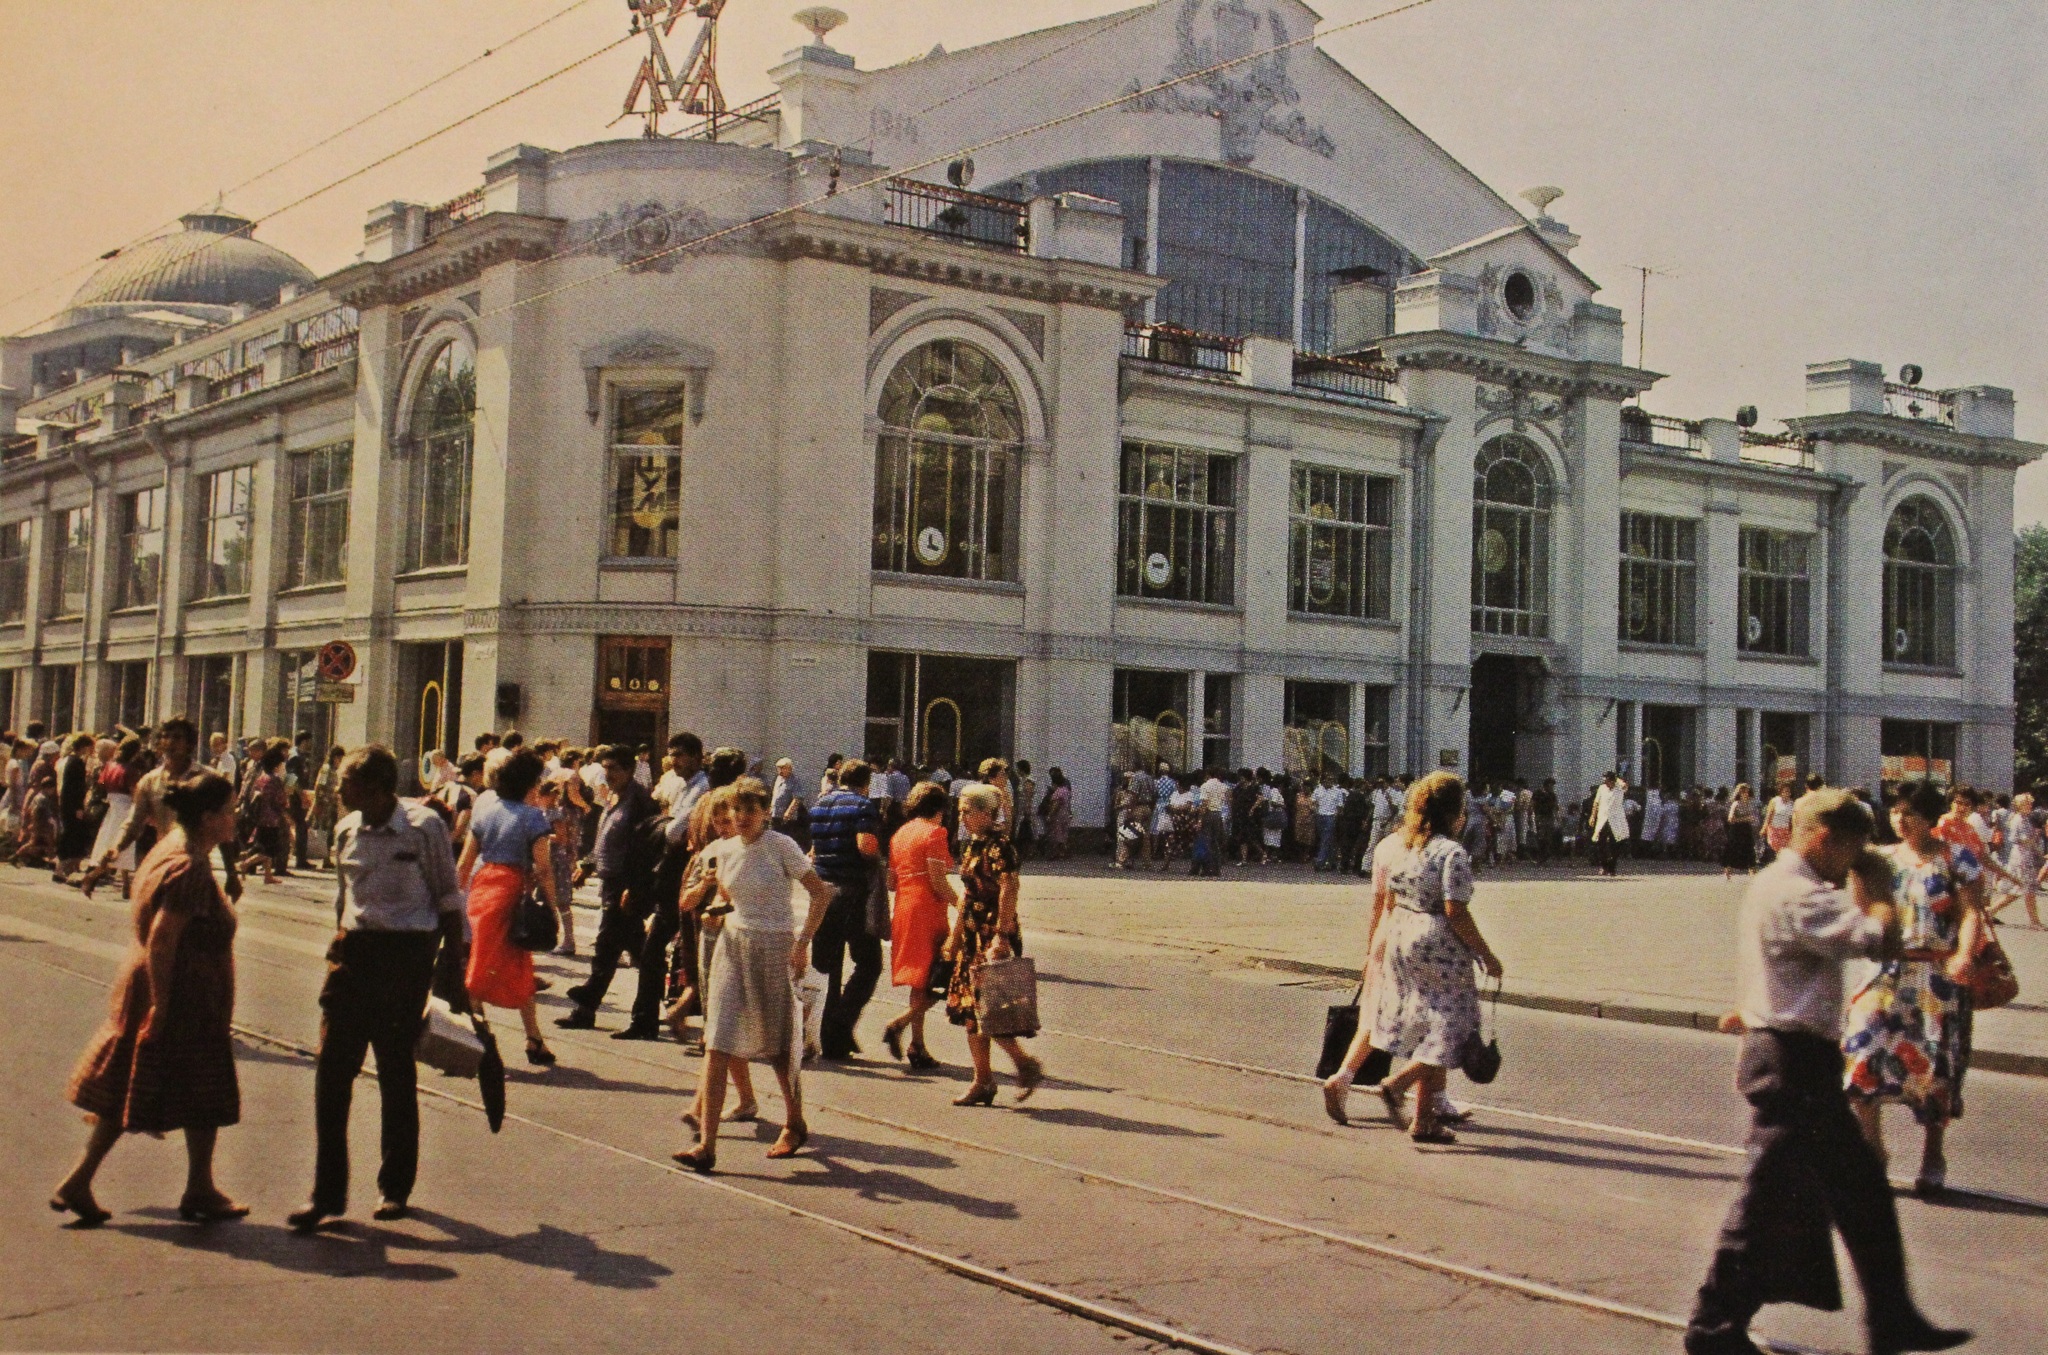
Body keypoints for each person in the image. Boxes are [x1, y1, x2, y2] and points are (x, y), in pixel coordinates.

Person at [1684, 789, 1968, 1355]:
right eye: (1851, 850)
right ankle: (1711, 1326)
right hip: (1792, 1063)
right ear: (1824, 840)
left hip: (1794, 1057)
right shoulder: (1801, 893)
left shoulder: (1776, 882)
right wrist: (1878, 890)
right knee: (1763, 1202)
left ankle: (1892, 1316)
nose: (1852, 862)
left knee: (1861, 1192)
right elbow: (1880, 938)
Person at [287, 747, 468, 1231]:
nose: (340, 792)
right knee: (332, 1074)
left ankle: (394, 1187)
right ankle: (326, 1194)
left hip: (405, 959)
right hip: (354, 955)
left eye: (347, 784)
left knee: (394, 1071)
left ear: (377, 788)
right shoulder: (348, 829)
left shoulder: (424, 827)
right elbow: (344, 899)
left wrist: (454, 964)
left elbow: (448, 895)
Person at [55, 770, 246, 1227]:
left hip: (155, 985)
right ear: (208, 817)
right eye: (230, 811)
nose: (235, 819)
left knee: (131, 1081)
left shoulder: (170, 847)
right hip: (182, 994)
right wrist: (162, 1005)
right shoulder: (189, 865)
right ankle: (195, 1186)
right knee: (202, 1083)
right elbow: (164, 940)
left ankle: (89, 1180)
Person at [672, 778, 837, 1173]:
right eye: (735, 810)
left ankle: (795, 1122)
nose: (741, 817)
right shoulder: (721, 850)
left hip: (776, 947)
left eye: (750, 810)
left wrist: (802, 943)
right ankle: (706, 1147)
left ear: (766, 813)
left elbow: (820, 893)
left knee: (780, 1046)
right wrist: (708, 899)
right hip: (733, 948)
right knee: (718, 1041)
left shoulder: (781, 846)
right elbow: (693, 902)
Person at [1841, 781, 1985, 1197]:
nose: (1900, 821)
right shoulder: (1881, 860)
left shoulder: (1958, 858)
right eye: (1896, 812)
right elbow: (1861, 910)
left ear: (1931, 818)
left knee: (1934, 1067)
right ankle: (1873, 1148)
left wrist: (1964, 953)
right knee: (1861, 1050)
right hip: (1886, 973)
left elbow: (1973, 913)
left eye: (1911, 814)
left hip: (1934, 976)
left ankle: (1932, 1154)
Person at [1366, 772, 1502, 1146]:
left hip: (1402, 934)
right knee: (1454, 1026)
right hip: (1436, 943)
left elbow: (1391, 895)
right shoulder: (1451, 852)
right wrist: (1486, 954)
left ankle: (1424, 1121)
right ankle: (1397, 1085)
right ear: (1455, 812)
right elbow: (1455, 909)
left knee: (1429, 1025)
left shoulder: (1406, 845)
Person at [455, 748, 559, 1067]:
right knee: (493, 966)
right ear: (530, 784)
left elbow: (465, 862)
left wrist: (452, 901)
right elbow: (543, 868)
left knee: (504, 963)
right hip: (511, 890)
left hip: (482, 887)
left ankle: (533, 1038)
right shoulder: (533, 817)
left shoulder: (485, 809)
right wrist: (551, 907)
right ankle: (482, 1039)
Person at [943, 783, 1044, 1105]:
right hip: (973, 934)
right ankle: (983, 1080)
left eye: (967, 812)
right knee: (971, 1010)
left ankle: (1023, 1062)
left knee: (991, 1007)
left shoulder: (1000, 845)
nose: (962, 818)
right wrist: (955, 936)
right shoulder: (972, 845)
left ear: (986, 813)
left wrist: (1001, 935)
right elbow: (967, 895)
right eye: (960, 812)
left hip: (992, 934)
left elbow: (1009, 887)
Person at [557, 746, 657, 1030]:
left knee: (607, 945)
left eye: (613, 768)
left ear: (628, 770)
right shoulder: (615, 797)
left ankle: (587, 1004)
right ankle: (652, 1010)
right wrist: (588, 864)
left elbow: (643, 849)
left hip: (626, 885)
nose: (608, 774)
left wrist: (634, 888)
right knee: (637, 950)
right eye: (605, 767)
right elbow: (605, 838)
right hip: (611, 880)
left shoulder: (640, 801)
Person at [809, 759, 884, 1059]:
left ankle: (827, 1035)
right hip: (852, 890)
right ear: (865, 783)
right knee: (868, 963)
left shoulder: (820, 805)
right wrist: (880, 859)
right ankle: (840, 1025)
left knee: (829, 966)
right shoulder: (863, 806)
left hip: (823, 891)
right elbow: (865, 845)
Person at [880, 781, 956, 1069]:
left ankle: (918, 1045)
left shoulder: (900, 833)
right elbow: (938, 882)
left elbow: (890, 881)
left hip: (904, 907)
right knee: (943, 976)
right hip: (927, 911)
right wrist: (961, 903)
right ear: (940, 809)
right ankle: (900, 1023)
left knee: (922, 978)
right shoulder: (935, 833)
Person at [77, 735, 147, 898]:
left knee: (111, 843)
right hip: (125, 807)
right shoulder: (130, 770)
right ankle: (99, 877)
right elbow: (134, 792)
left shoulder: (109, 766)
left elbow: (100, 785)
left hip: (112, 807)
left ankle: (124, 884)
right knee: (125, 845)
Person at [55, 732, 98, 881]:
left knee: (70, 834)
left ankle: (63, 870)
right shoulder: (77, 763)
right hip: (72, 805)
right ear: (85, 747)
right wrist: (78, 807)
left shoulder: (69, 760)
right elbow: (75, 788)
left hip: (67, 803)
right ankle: (61, 869)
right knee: (72, 835)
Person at [1589, 770, 1629, 876]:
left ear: (1612, 780)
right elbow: (1596, 803)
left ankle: (1612, 867)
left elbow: (1625, 785)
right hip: (1603, 818)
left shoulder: (1619, 788)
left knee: (1615, 843)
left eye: (1607, 780)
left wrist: (1617, 780)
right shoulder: (1602, 788)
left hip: (1616, 819)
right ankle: (1603, 865)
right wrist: (1593, 816)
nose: (1605, 783)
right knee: (1600, 842)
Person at [311, 744, 344, 868]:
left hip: (332, 805)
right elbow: (319, 786)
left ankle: (326, 858)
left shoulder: (335, 771)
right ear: (334, 757)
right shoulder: (326, 769)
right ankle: (324, 857)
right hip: (325, 805)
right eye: (339, 759)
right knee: (324, 831)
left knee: (330, 832)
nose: (340, 762)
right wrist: (319, 803)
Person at [1724, 783, 1760, 879]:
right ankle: (1729, 869)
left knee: (1749, 849)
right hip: (1737, 829)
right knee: (1734, 849)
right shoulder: (1736, 804)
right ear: (1739, 793)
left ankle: (1752, 869)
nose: (1746, 794)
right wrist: (1745, 819)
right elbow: (1730, 818)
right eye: (1743, 792)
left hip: (1747, 829)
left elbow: (1754, 817)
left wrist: (1754, 825)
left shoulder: (1751, 803)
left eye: (1747, 792)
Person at [1760, 783, 1797, 865]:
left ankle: (1780, 866)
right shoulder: (1774, 801)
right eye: (1785, 791)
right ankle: (1779, 864)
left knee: (1783, 850)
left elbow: (1792, 819)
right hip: (1774, 829)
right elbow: (1768, 815)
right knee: (1777, 848)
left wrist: (1794, 830)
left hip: (1785, 830)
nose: (1787, 793)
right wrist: (1764, 828)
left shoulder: (1792, 803)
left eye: (1789, 792)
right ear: (1781, 792)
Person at [1040, 767, 1072, 859]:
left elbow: (1055, 804)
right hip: (1065, 813)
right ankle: (1064, 853)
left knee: (1056, 835)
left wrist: (1050, 815)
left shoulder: (1058, 792)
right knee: (1063, 834)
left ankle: (1055, 854)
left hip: (1058, 815)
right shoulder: (1066, 790)